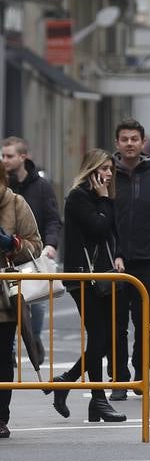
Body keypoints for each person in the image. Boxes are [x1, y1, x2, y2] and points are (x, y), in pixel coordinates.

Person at [51, 150, 125, 423]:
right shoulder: (79, 197)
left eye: (110, 169)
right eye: (103, 168)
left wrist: (119, 255)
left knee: (103, 339)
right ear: (90, 170)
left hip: (103, 277)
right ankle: (98, 400)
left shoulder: (102, 198)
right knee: (98, 337)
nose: (108, 174)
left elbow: (114, 231)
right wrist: (105, 201)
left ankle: (68, 381)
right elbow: (97, 228)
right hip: (83, 278)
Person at [111, 119, 150, 402]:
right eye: (124, 139)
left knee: (149, 322)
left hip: (149, 262)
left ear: (143, 142)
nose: (129, 144)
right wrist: (113, 253)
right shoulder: (107, 174)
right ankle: (120, 380)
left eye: (134, 139)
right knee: (117, 324)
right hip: (116, 263)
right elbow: (103, 219)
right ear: (117, 143)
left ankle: (141, 374)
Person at [2, 136, 62, 342]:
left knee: (35, 305)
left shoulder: (41, 186)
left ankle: (33, 340)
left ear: (23, 157)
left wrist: (50, 245)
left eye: (9, 156)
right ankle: (9, 352)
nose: (5, 160)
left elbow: (53, 219)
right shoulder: (4, 187)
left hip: (31, 257)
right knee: (7, 313)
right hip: (7, 265)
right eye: (3, 156)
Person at [0, 172, 43, 438]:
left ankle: (1, 417)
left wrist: (12, 244)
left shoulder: (15, 203)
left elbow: (35, 246)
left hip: (4, 297)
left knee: (2, 357)